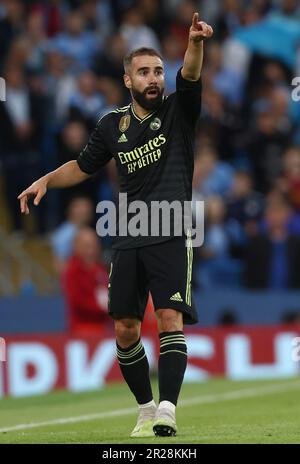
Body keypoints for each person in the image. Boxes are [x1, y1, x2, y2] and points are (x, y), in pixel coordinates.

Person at [18, 13, 213, 438]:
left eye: (158, 71)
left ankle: (167, 409)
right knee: (125, 329)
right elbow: (84, 166)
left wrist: (195, 43)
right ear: (128, 81)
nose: (154, 78)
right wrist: (46, 180)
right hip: (127, 233)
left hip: (171, 229)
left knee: (168, 319)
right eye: (144, 72)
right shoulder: (111, 125)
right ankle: (145, 407)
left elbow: (192, 73)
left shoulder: (181, 109)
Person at [62, 227, 111, 335]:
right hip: (82, 331)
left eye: (94, 246)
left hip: (104, 330)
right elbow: (78, 301)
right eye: (87, 246)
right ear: (76, 247)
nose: (91, 251)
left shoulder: (101, 269)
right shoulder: (72, 271)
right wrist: (105, 307)